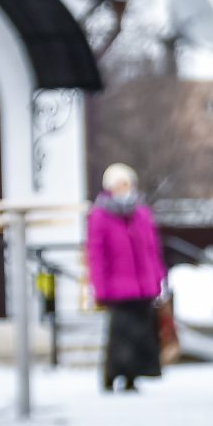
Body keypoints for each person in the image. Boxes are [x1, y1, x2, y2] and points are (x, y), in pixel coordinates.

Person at [85, 162, 166, 393]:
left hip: (143, 285)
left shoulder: (141, 213)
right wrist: (99, 286)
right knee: (120, 335)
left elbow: (152, 249)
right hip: (117, 287)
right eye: (119, 184)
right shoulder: (100, 215)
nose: (123, 188)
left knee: (141, 334)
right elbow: (96, 253)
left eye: (126, 183)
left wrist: (158, 277)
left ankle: (133, 377)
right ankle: (112, 376)